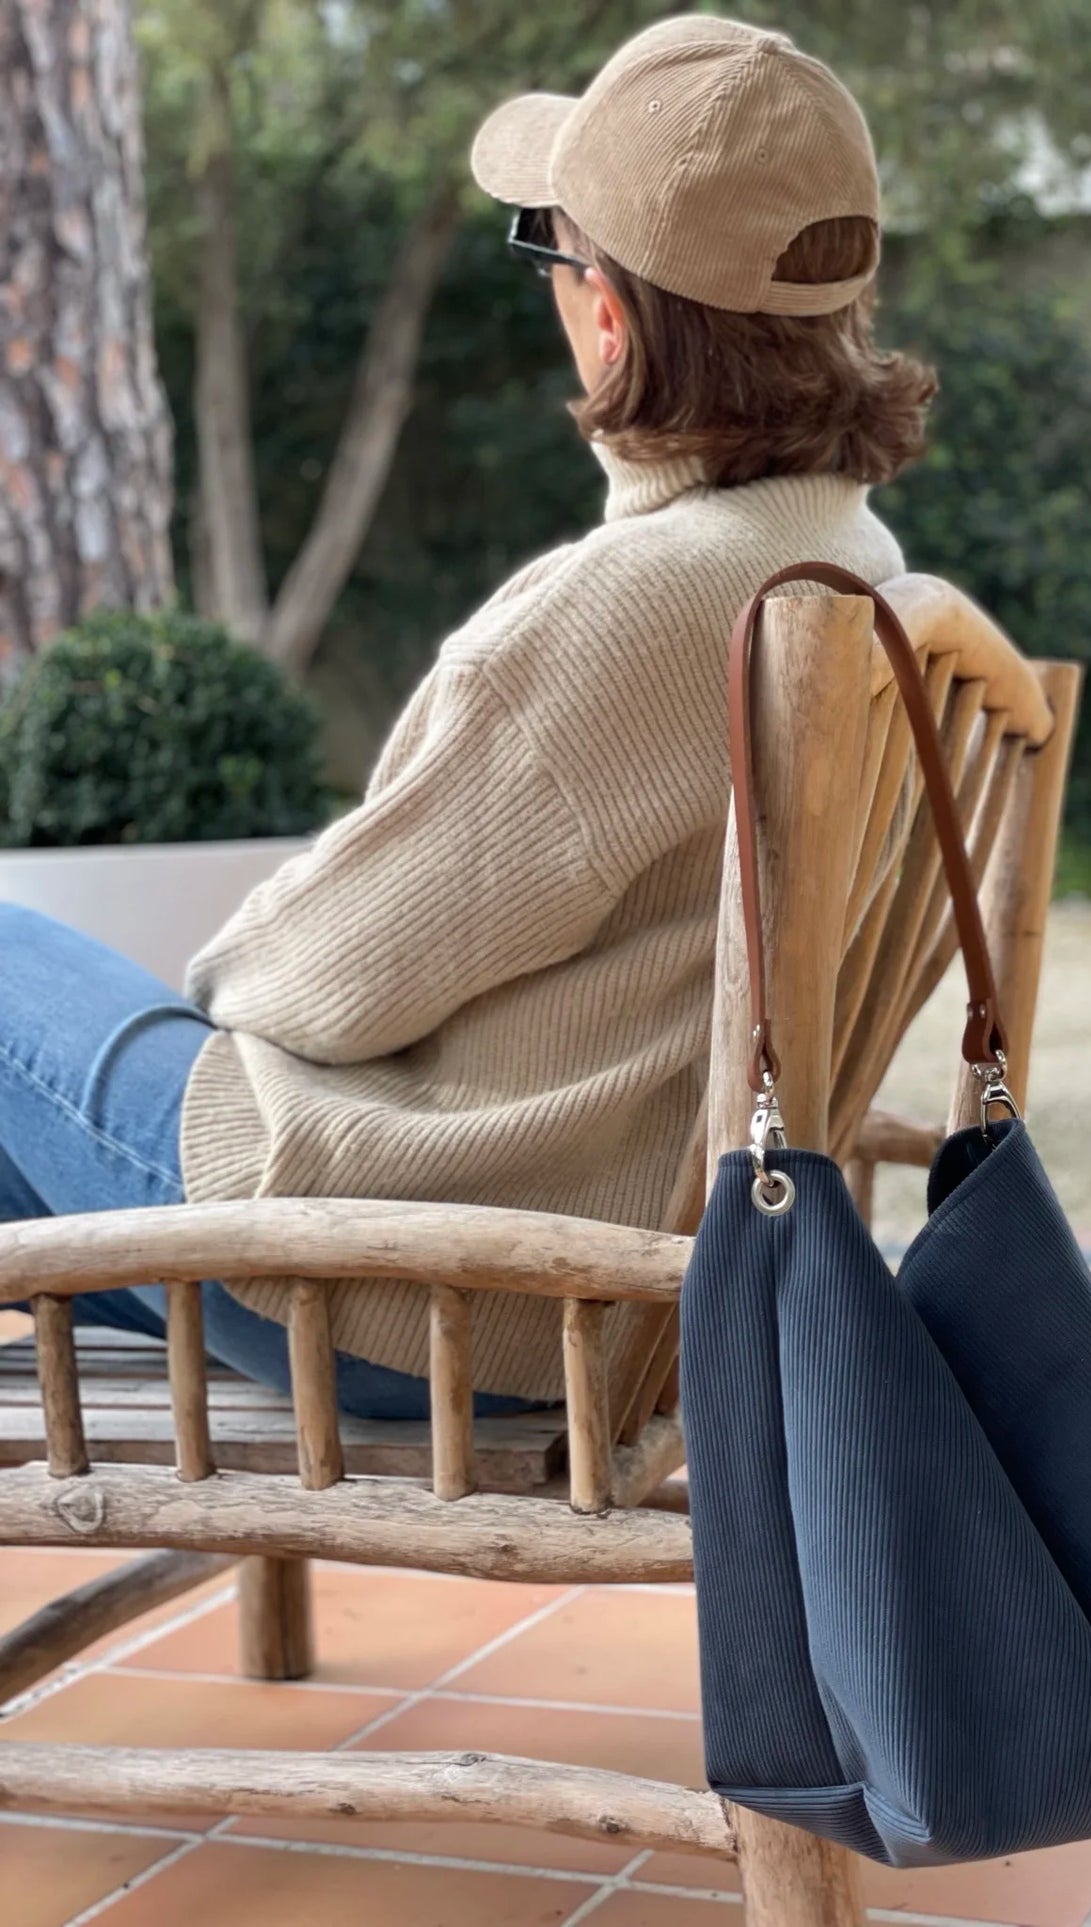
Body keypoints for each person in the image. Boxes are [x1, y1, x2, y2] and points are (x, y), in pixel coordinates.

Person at [0, 16, 934, 1418]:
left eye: (554, 253)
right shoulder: (857, 576)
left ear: (607, 310)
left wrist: (217, 973)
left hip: (440, 1287)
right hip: (646, 1281)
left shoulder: (635, 608)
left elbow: (319, 984)